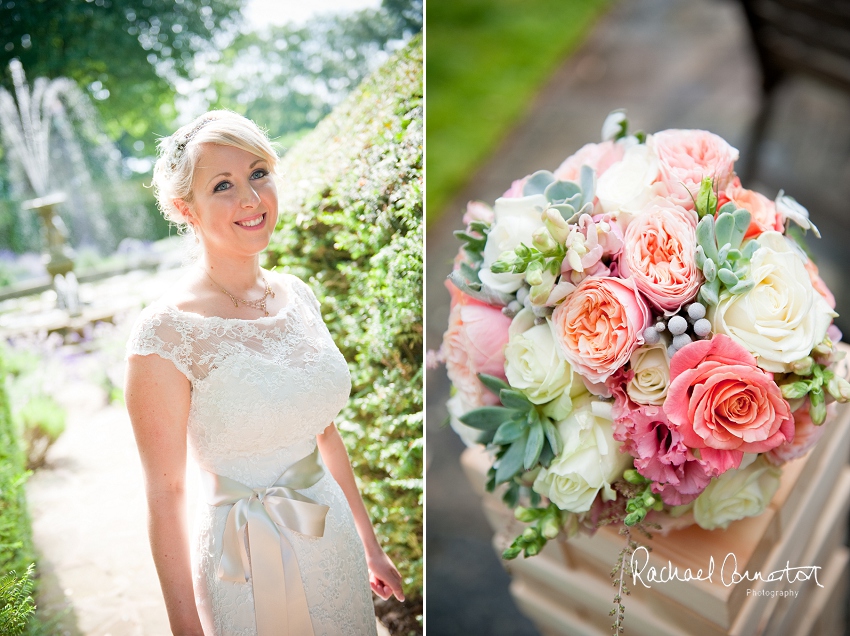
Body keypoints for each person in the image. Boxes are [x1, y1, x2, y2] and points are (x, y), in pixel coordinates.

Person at [124, 110, 403, 636]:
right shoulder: (165, 333)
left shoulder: (297, 295)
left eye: (258, 173)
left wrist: (370, 546)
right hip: (241, 561)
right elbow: (165, 495)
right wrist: (186, 630)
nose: (251, 200)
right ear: (187, 208)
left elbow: (324, 433)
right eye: (223, 185)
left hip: (332, 536)